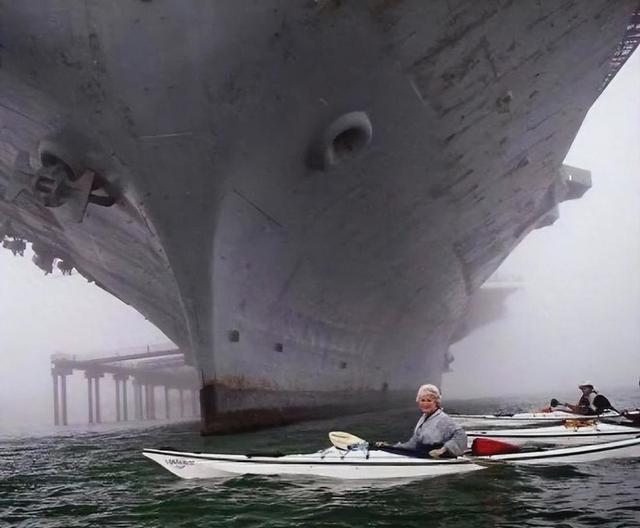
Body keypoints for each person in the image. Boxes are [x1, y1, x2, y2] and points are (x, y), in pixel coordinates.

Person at [375, 384, 467, 458]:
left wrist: (443, 450)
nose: (425, 404)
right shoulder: (423, 419)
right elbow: (413, 444)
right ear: (418, 402)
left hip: (435, 457)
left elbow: (461, 435)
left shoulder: (443, 420)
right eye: (422, 400)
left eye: (429, 400)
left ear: (436, 403)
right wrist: (389, 446)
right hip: (421, 454)